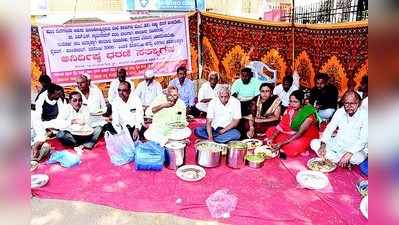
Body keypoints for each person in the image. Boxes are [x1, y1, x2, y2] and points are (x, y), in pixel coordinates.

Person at [311, 91, 367, 168]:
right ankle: (340, 161)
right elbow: (330, 128)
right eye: (346, 103)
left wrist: (349, 153)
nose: (349, 106)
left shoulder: (365, 115)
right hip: (337, 144)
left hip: (354, 149)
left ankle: (334, 159)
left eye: (352, 103)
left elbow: (363, 140)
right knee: (314, 142)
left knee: (359, 158)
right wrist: (323, 144)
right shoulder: (340, 111)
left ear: (359, 103)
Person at [265, 90, 320, 157]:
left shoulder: (308, 114)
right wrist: (272, 138)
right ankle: (282, 144)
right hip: (291, 132)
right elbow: (282, 125)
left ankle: (296, 148)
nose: (292, 104)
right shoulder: (290, 109)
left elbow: (300, 133)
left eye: (295, 102)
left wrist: (282, 143)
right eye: (291, 101)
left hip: (305, 135)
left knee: (295, 145)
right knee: (271, 130)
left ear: (302, 101)